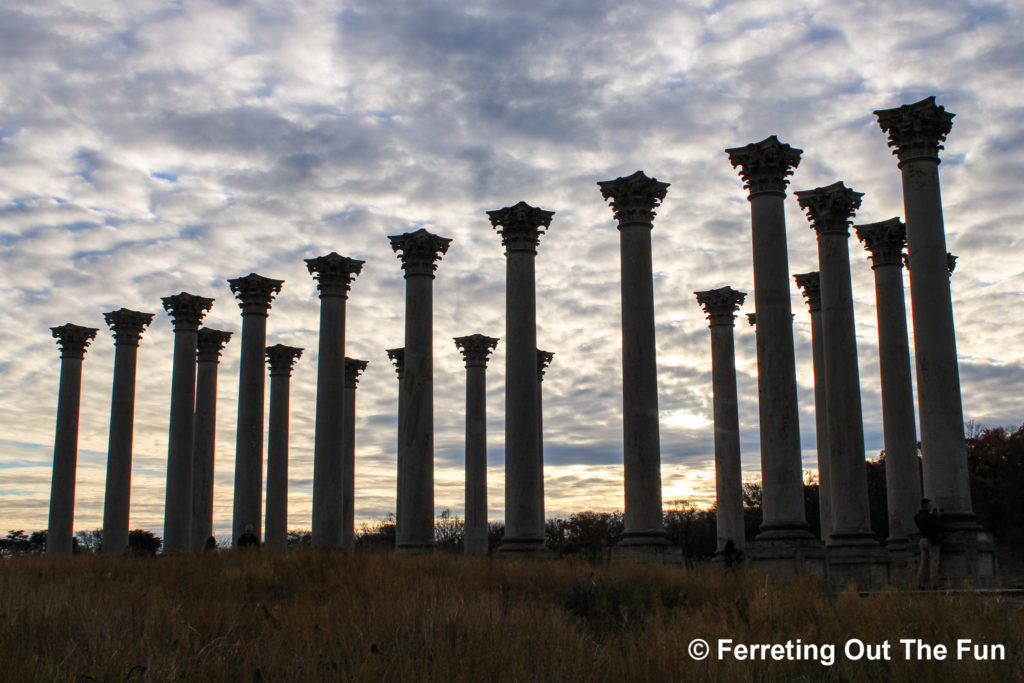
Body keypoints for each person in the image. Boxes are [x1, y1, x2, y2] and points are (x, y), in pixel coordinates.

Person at [914, 498, 943, 588]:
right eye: (929, 505)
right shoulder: (927, 516)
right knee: (934, 562)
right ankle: (934, 583)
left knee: (923, 563)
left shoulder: (919, 516)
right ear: (926, 506)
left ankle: (919, 582)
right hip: (931, 540)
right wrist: (938, 516)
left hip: (922, 540)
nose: (931, 506)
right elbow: (937, 525)